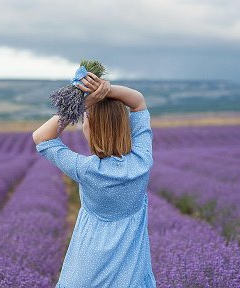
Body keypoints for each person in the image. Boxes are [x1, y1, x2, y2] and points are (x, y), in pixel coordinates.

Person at [32, 72, 157, 288]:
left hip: (84, 275)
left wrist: (82, 101)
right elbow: (138, 102)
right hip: (131, 279)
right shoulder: (141, 162)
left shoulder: (86, 169)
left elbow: (41, 137)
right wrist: (105, 89)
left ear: (93, 128)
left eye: (85, 119)